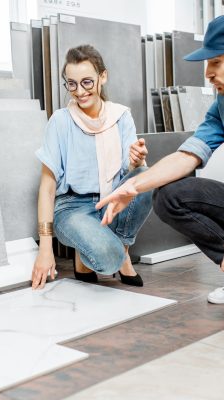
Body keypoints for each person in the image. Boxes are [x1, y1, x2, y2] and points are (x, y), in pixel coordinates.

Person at [96, 12, 224, 304]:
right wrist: (133, 187)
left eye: (216, 62)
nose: (207, 73)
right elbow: (188, 155)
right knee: (170, 196)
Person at [31, 45, 152, 290]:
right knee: (107, 261)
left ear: (102, 77)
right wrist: (45, 248)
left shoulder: (120, 116)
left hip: (112, 200)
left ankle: (122, 250)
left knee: (146, 176)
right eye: (72, 84)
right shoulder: (61, 122)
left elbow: (129, 174)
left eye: (87, 82)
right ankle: (110, 254)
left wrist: (136, 161)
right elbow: (47, 188)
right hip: (73, 208)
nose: (80, 91)